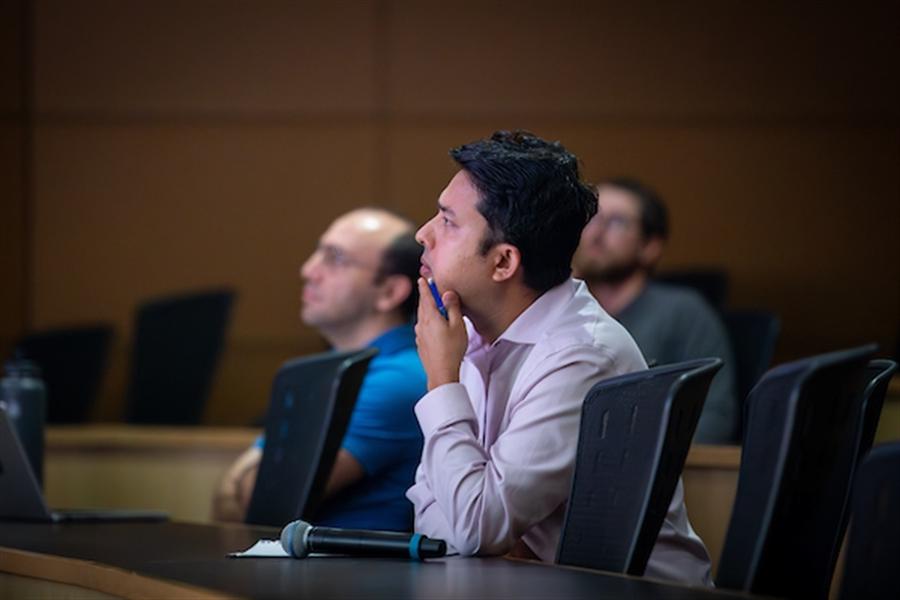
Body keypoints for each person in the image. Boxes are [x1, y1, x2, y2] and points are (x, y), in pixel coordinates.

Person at [409, 131, 712, 586]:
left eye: (448, 222)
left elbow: (473, 526)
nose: (423, 233)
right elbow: (432, 513)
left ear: (503, 263)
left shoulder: (579, 355)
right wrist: (486, 535)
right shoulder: (465, 333)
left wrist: (441, 382)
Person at [212, 208, 427, 531]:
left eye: (335, 258)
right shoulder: (338, 372)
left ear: (389, 292)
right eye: (318, 252)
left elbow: (260, 499)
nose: (308, 270)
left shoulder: (398, 379)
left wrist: (243, 472)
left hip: (355, 578)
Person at [572, 178, 739, 443]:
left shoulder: (683, 311)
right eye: (591, 218)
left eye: (616, 222)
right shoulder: (564, 309)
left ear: (650, 247)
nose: (597, 232)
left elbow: (715, 416)